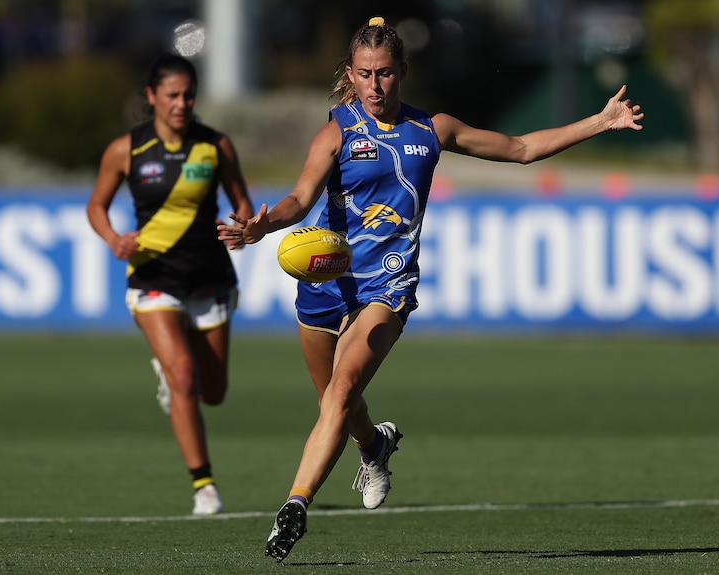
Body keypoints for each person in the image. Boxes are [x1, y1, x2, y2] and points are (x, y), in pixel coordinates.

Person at [218, 16, 643, 561]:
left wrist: (600, 121)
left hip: (387, 286)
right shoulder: (336, 131)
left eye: (387, 73)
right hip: (325, 284)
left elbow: (519, 148)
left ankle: (295, 506)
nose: (376, 85)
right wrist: (264, 225)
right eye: (366, 74)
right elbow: (300, 200)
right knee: (335, 402)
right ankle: (374, 445)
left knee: (343, 391)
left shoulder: (432, 130)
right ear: (351, 74)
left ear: (403, 73)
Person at [87, 53, 254, 515]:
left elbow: (240, 196)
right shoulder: (126, 150)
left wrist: (242, 224)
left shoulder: (215, 145)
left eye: (189, 95)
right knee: (182, 374)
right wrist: (114, 239)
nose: (182, 104)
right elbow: (96, 206)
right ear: (151, 97)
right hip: (153, 275)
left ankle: (172, 377)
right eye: (172, 95)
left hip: (210, 276)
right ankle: (204, 486)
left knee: (213, 391)